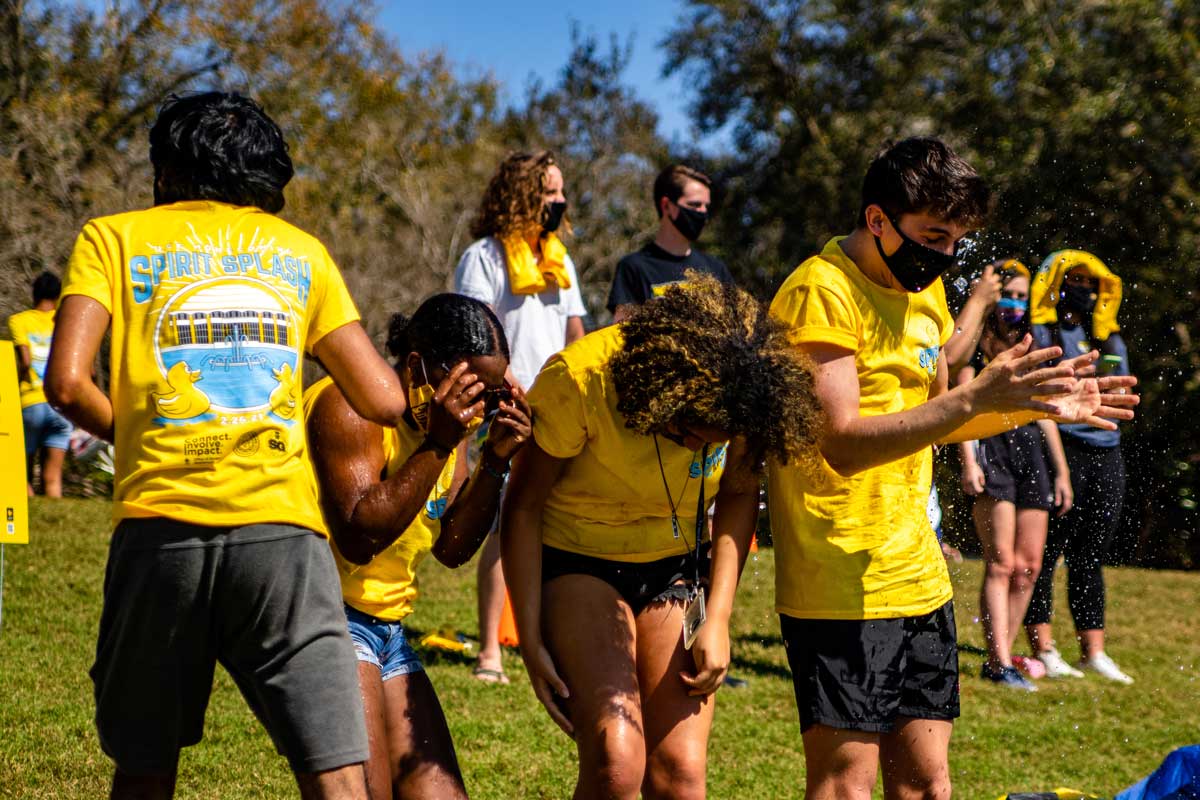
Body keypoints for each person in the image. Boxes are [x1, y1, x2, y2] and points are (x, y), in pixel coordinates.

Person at [45, 91, 410, 800]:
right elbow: (384, 400)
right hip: (282, 540)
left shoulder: (112, 238)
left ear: (164, 168)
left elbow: (65, 382)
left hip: (159, 532)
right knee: (337, 775)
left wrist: (140, 429)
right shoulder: (302, 253)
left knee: (145, 766)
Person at [766, 137, 1138, 800]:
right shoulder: (819, 293)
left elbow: (940, 416)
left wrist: (1033, 404)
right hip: (839, 582)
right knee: (843, 788)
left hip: (919, 579)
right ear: (877, 220)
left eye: (955, 241)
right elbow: (842, 443)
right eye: (932, 235)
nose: (942, 256)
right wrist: (972, 396)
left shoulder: (925, 292)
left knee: (928, 786)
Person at [502, 274, 822, 800]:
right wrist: (530, 638)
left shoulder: (741, 392)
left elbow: (738, 495)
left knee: (680, 773)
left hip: (676, 566)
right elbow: (524, 506)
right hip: (578, 559)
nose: (699, 446)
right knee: (616, 761)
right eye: (689, 431)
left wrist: (716, 617)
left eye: (712, 441)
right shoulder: (581, 379)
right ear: (665, 387)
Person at [305, 294, 533, 800]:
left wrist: (495, 458)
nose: (478, 409)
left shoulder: (450, 430)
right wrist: (440, 443)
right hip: (325, 616)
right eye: (472, 391)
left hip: (386, 629)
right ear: (416, 367)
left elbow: (451, 546)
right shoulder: (349, 405)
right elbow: (359, 536)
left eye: (491, 396)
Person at [454, 150, 587, 684]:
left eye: (560, 192)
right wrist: (507, 392)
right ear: (520, 194)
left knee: (559, 524)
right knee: (507, 527)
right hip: (506, 404)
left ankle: (551, 640)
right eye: (548, 192)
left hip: (558, 405)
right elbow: (473, 332)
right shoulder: (482, 257)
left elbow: (575, 329)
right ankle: (489, 650)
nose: (559, 201)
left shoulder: (560, 258)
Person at [956, 262, 1074, 691]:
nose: (1016, 304)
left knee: (1030, 567)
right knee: (1002, 562)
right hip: (993, 451)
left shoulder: (1032, 344)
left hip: (1032, 457)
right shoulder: (974, 344)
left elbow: (1044, 412)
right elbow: (963, 402)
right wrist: (969, 461)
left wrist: (1061, 471)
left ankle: (1002, 658)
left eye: (1023, 297)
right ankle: (998, 659)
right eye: (1010, 294)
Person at [1022, 249, 1135, 684]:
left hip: (1107, 452)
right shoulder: (1046, 332)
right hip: (1063, 448)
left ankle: (1094, 652)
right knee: (1047, 553)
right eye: (1076, 282)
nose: (1085, 292)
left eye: (1093, 285)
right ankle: (1044, 648)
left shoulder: (1107, 337)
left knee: (1091, 556)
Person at [606, 164, 733, 323]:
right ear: (666, 205)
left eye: (705, 206)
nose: (702, 212)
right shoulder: (633, 268)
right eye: (694, 205)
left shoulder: (716, 268)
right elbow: (621, 332)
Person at [7, 271, 73, 498]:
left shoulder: (19, 321)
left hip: (31, 401)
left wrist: (11, 387)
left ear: (34, 294)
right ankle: (56, 523)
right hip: (61, 404)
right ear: (58, 296)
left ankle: (32, 520)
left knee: (22, 474)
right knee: (53, 478)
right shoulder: (65, 323)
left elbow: (25, 362)